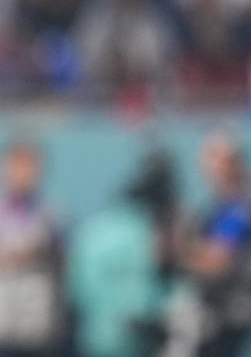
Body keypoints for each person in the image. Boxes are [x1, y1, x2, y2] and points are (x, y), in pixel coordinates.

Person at [68, 149, 181, 357]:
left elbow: (76, 291)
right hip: (134, 342)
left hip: (94, 340)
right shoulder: (148, 232)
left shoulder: (94, 229)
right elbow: (151, 297)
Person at [0, 141, 64, 357]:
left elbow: (63, 262)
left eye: (30, 166)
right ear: (2, 167)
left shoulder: (52, 212)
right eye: (17, 165)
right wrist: (6, 255)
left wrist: (39, 253)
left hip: (36, 321)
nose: (23, 173)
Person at [179, 130, 251, 357]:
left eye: (214, 157)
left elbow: (217, 262)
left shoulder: (239, 209)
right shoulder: (224, 206)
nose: (207, 166)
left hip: (229, 317)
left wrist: (178, 252)